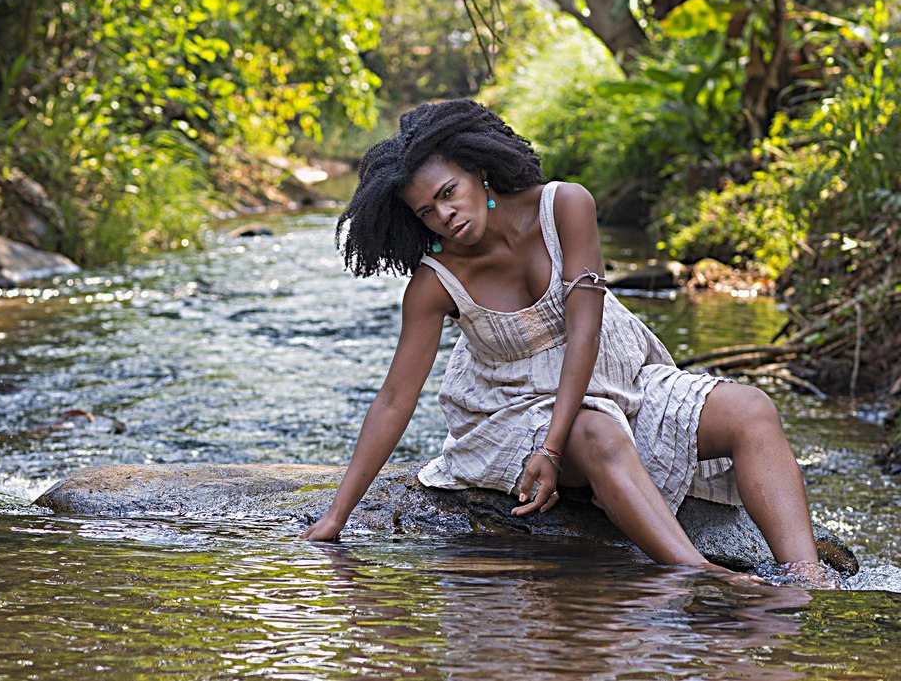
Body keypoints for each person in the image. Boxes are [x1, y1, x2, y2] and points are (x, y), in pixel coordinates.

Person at [302, 99, 832, 582]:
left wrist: (553, 449)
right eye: (426, 211)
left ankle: (806, 578)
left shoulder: (565, 205)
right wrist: (335, 517)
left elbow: (586, 329)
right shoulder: (435, 281)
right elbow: (396, 398)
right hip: (514, 406)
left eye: (448, 194)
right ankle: (706, 576)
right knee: (596, 431)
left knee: (751, 408)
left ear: (480, 172)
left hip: (619, 376)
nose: (445, 216)